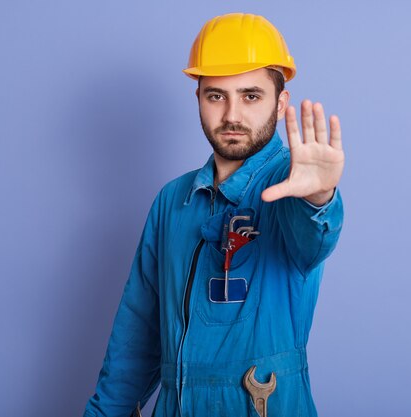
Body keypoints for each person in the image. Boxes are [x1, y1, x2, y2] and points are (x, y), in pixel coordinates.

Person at [83, 12, 345, 417]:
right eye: (216, 95)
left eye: (251, 95)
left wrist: (319, 198)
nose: (232, 115)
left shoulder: (291, 185)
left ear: (281, 103)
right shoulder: (173, 201)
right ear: (199, 98)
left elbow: (314, 238)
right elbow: (136, 338)